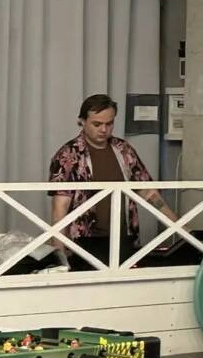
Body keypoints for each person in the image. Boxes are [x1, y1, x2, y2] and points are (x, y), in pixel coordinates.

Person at [49, 94, 175, 270]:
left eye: (109, 124)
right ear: (82, 121)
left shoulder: (124, 150)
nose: (103, 129)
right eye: (97, 124)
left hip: (124, 239)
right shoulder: (68, 155)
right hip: (83, 244)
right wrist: (60, 258)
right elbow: (59, 209)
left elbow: (148, 192)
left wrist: (181, 227)